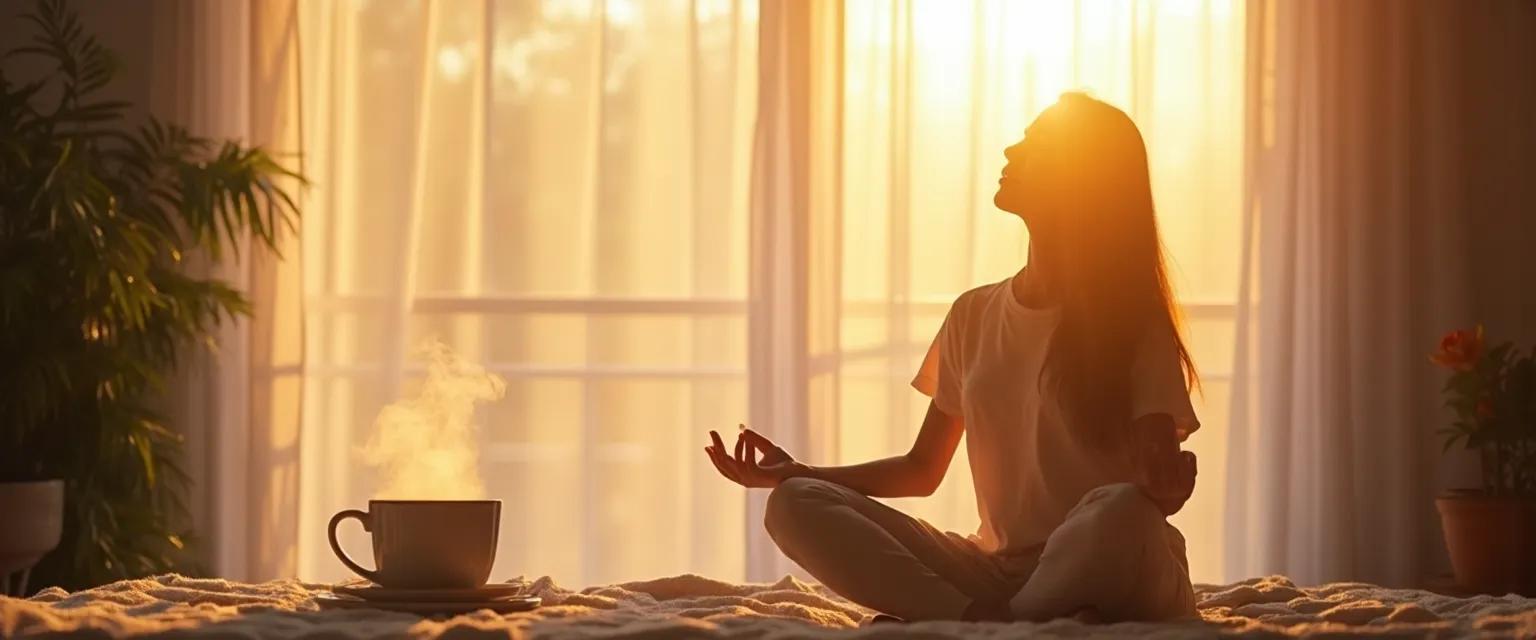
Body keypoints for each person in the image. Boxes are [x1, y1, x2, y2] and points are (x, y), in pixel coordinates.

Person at [703, 92, 1202, 623]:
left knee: (1123, 512)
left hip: (1106, 555)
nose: (1011, 150)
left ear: (1079, 178)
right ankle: (985, 621)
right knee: (794, 503)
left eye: (1035, 144)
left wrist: (1163, 491)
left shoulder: (1132, 324)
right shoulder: (973, 313)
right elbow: (922, 469)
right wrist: (800, 470)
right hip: (996, 572)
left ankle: (978, 621)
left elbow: (1149, 491)